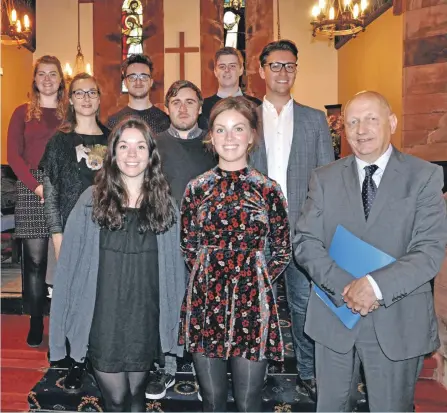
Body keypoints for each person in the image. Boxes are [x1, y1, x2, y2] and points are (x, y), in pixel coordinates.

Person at [294, 91, 447, 412]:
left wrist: (374, 287)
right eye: (352, 122)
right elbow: (305, 241)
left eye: (371, 119)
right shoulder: (324, 179)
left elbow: (429, 250)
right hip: (334, 315)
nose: (361, 129)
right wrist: (347, 287)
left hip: (397, 318)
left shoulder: (424, 177)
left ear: (391, 122)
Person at [49, 117, 184, 410]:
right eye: (124, 146)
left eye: (139, 147)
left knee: (136, 397)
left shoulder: (165, 203)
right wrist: (62, 327)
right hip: (103, 318)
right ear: (112, 153)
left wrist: (175, 324)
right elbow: (69, 268)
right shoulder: (91, 200)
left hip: (144, 318)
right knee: (116, 399)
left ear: (151, 155)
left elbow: (175, 273)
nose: (132, 154)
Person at [179, 96, 292, 412]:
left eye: (238, 129)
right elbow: (188, 246)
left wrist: (251, 278)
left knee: (248, 402)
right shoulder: (196, 188)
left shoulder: (268, 189)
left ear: (252, 135)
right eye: (221, 130)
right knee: (213, 401)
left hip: (252, 304)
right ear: (211, 137)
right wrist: (213, 273)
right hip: (206, 302)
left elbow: (282, 250)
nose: (229, 138)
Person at [251, 39, 334, 401]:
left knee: (303, 304)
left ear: (296, 70)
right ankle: (257, 369)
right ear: (261, 71)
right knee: (257, 303)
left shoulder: (316, 119)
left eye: (290, 65)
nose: (283, 72)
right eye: (276, 65)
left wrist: (319, 227)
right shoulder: (246, 117)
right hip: (257, 228)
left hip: (303, 229)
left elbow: (327, 178)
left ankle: (308, 370)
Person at [145, 80, 216, 400]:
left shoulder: (214, 143)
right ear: (166, 107)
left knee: (205, 306)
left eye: (190, 102)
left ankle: (207, 374)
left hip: (208, 241)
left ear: (201, 108)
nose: (183, 107)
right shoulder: (154, 144)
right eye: (176, 102)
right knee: (168, 303)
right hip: (166, 235)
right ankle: (168, 366)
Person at [7, 55, 66, 347]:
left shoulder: (70, 113)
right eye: (41, 74)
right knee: (35, 260)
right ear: (34, 79)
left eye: (52, 74)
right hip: (31, 188)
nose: (46, 79)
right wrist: (36, 186)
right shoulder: (22, 113)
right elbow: (13, 157)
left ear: (60, 79)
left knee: (64, 259)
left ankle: (63, 318)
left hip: (64, 187)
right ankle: (35, 320)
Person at [199, 47, 261, 129]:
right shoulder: (202, 107)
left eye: (232, 66)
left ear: (241, 70)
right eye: (222, 66)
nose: (227, 70)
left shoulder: (257, 106)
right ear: (215, 71)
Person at [107, 54, 170, 133]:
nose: (138, 82)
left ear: (151, 82)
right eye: (132, 77)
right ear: (125, 83)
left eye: (143, 77)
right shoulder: (113, 123)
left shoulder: (166, 121)